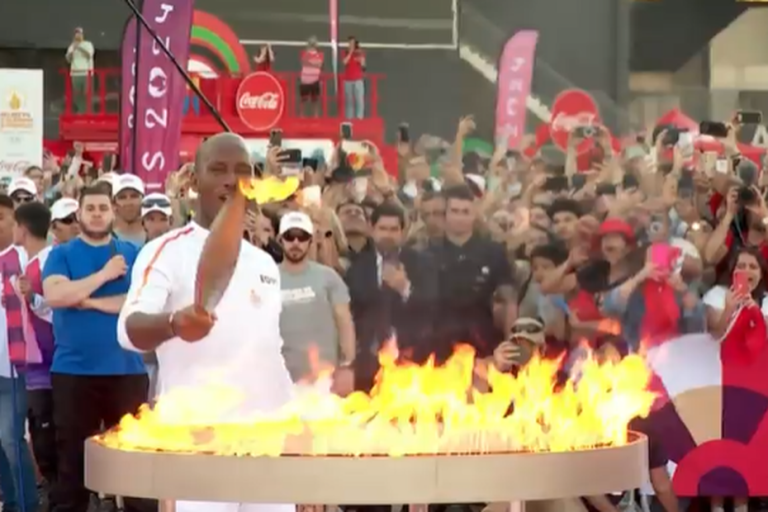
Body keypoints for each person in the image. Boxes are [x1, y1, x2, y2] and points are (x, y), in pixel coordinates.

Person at [117, 132, 297, 512]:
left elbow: (271, 353)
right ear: (194, 182)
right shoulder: (166, 251)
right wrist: (172, 324)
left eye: (242, 171)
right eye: (218, 170)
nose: (231, 180)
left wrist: (298, 438)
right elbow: (128, 331)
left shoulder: (264, 263)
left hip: (266, 442)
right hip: (196, 441)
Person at [42, 185, 148, 512]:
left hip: (127, 371)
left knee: (134, 464)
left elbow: (136, 302)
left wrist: (85, 300)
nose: (98, 213)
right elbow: (55, 296)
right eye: (92, 208)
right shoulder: (60, 254)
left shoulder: (132, 253)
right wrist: (104, 274)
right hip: (74, 373)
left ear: (113, 211)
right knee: (72, 462)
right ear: (79, 215)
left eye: (104, 207)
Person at [346, 202, 438, 390]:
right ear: (371, 230)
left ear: (403, 232)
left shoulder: (422, 263)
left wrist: (404, 287)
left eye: (394, 229)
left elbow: (433, 305)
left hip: (412, 358)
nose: (388, 235)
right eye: (383, 228)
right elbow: (353, 312)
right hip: (368, 363)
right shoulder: (357, 267)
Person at [429, 185, 517, 360]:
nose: (460, 217)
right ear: (444, 215)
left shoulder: (493, 252)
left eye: (465, 212)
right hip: (438, 344)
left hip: (483, 341)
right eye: (454, 211)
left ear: (474, 214)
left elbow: (509, 300)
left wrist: (511, 341)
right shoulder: (427, 252)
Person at [277, 211, 355, 386]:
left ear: (310, 241)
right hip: (280, 381)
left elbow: (345, 322)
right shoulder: (267, 276)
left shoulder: (328, 277)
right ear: (280, 239)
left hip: (324, 380)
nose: (296, 243)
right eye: (290, 237)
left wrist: (347, 365)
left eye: (302, 237)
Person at [14, 201, 58, 496]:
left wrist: (33, 300)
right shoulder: (26, 262)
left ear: (23, 228)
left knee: (48, 433)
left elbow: (59, 309)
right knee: (39, 430)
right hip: (33, 365)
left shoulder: (48, 261)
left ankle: (59, 492)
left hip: (51, 362)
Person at [0, 194, 39, 512]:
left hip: (13, 366)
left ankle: (27, 506)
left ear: (15, 223)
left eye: (1, 217)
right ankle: (11, 503)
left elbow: (43, 306)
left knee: (11, 440)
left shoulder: (24, 260)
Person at [65, 27, 95, 114]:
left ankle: (89, 114)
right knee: (77, 95)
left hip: (86, 73)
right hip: (75, 73)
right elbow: (68, 59)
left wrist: (79, 46)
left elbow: (89, 54)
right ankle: (81, 113)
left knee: (88, 95)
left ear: (83, 35)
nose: (78, 35)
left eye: (79, 33)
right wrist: (73, 49)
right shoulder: (72, 46)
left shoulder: (88, 44)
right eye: (76, 34)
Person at [112, 174, 146, 246]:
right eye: (122, 197)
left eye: (134, 196)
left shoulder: (155, 238)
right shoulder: (105, 240)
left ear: (143, 200)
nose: (128, 202)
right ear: (114, 204)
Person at [299, 37, 324, 117]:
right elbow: (304, 62)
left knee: (315, 101)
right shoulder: (304, 53)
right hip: (305, 80)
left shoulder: (320, 54)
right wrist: (314, 62)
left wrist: (310, 61)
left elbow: (320, 64)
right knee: (303, 100)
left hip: (315, 80)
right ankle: (301, 117)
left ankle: (316, 117)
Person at [343, 36, 366, 119]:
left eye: (352, 43)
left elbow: (363, 65)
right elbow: (344, 62)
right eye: (349, 43)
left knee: (359, 100)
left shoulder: (360, 52)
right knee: (349, 101)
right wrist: (350, 53)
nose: (351, 45)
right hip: (348, 80)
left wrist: (361, 60)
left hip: (358, 80)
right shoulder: (345, 52)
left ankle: (359, 118)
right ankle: (349, 119)